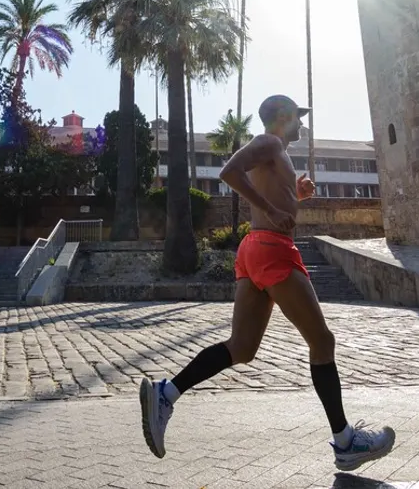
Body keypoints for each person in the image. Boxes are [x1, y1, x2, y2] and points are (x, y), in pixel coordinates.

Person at [138, 95, 395, 473]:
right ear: (281, 117)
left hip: (253, 249)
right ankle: (346, 442)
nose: (301, 125)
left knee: (241, 348)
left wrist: (294, 197)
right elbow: (229, 171)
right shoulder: (270, 142)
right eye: (297, 118)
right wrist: (275, 208)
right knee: (322, 342)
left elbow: (272, 196)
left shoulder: (279, 154)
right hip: (273, 249)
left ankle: (166, 394)